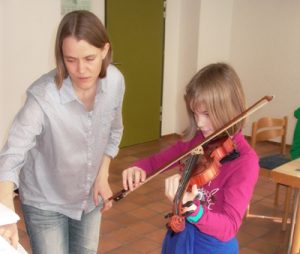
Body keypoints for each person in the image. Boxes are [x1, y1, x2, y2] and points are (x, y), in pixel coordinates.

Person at [0, 10, 125, 254]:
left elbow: (114, 131)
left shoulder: (115, 82)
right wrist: (5, 211)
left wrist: (102, 174)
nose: (81, 70)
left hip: (88, 200)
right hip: (45, 201)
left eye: (89, 58)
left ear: (105, 50)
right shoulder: (43, 97)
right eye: (70, 60)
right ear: (61, 57)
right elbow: (11, 155)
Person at [122, 63, 259, 254]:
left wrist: (192, 209)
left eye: (207, 114)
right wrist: (140, 168)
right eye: (195, 113)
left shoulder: (245, 162)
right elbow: (159, 161)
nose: (200, 123)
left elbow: (229, 227)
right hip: (179, 238)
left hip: (211, 247)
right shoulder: (198, 141)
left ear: (230, 110)